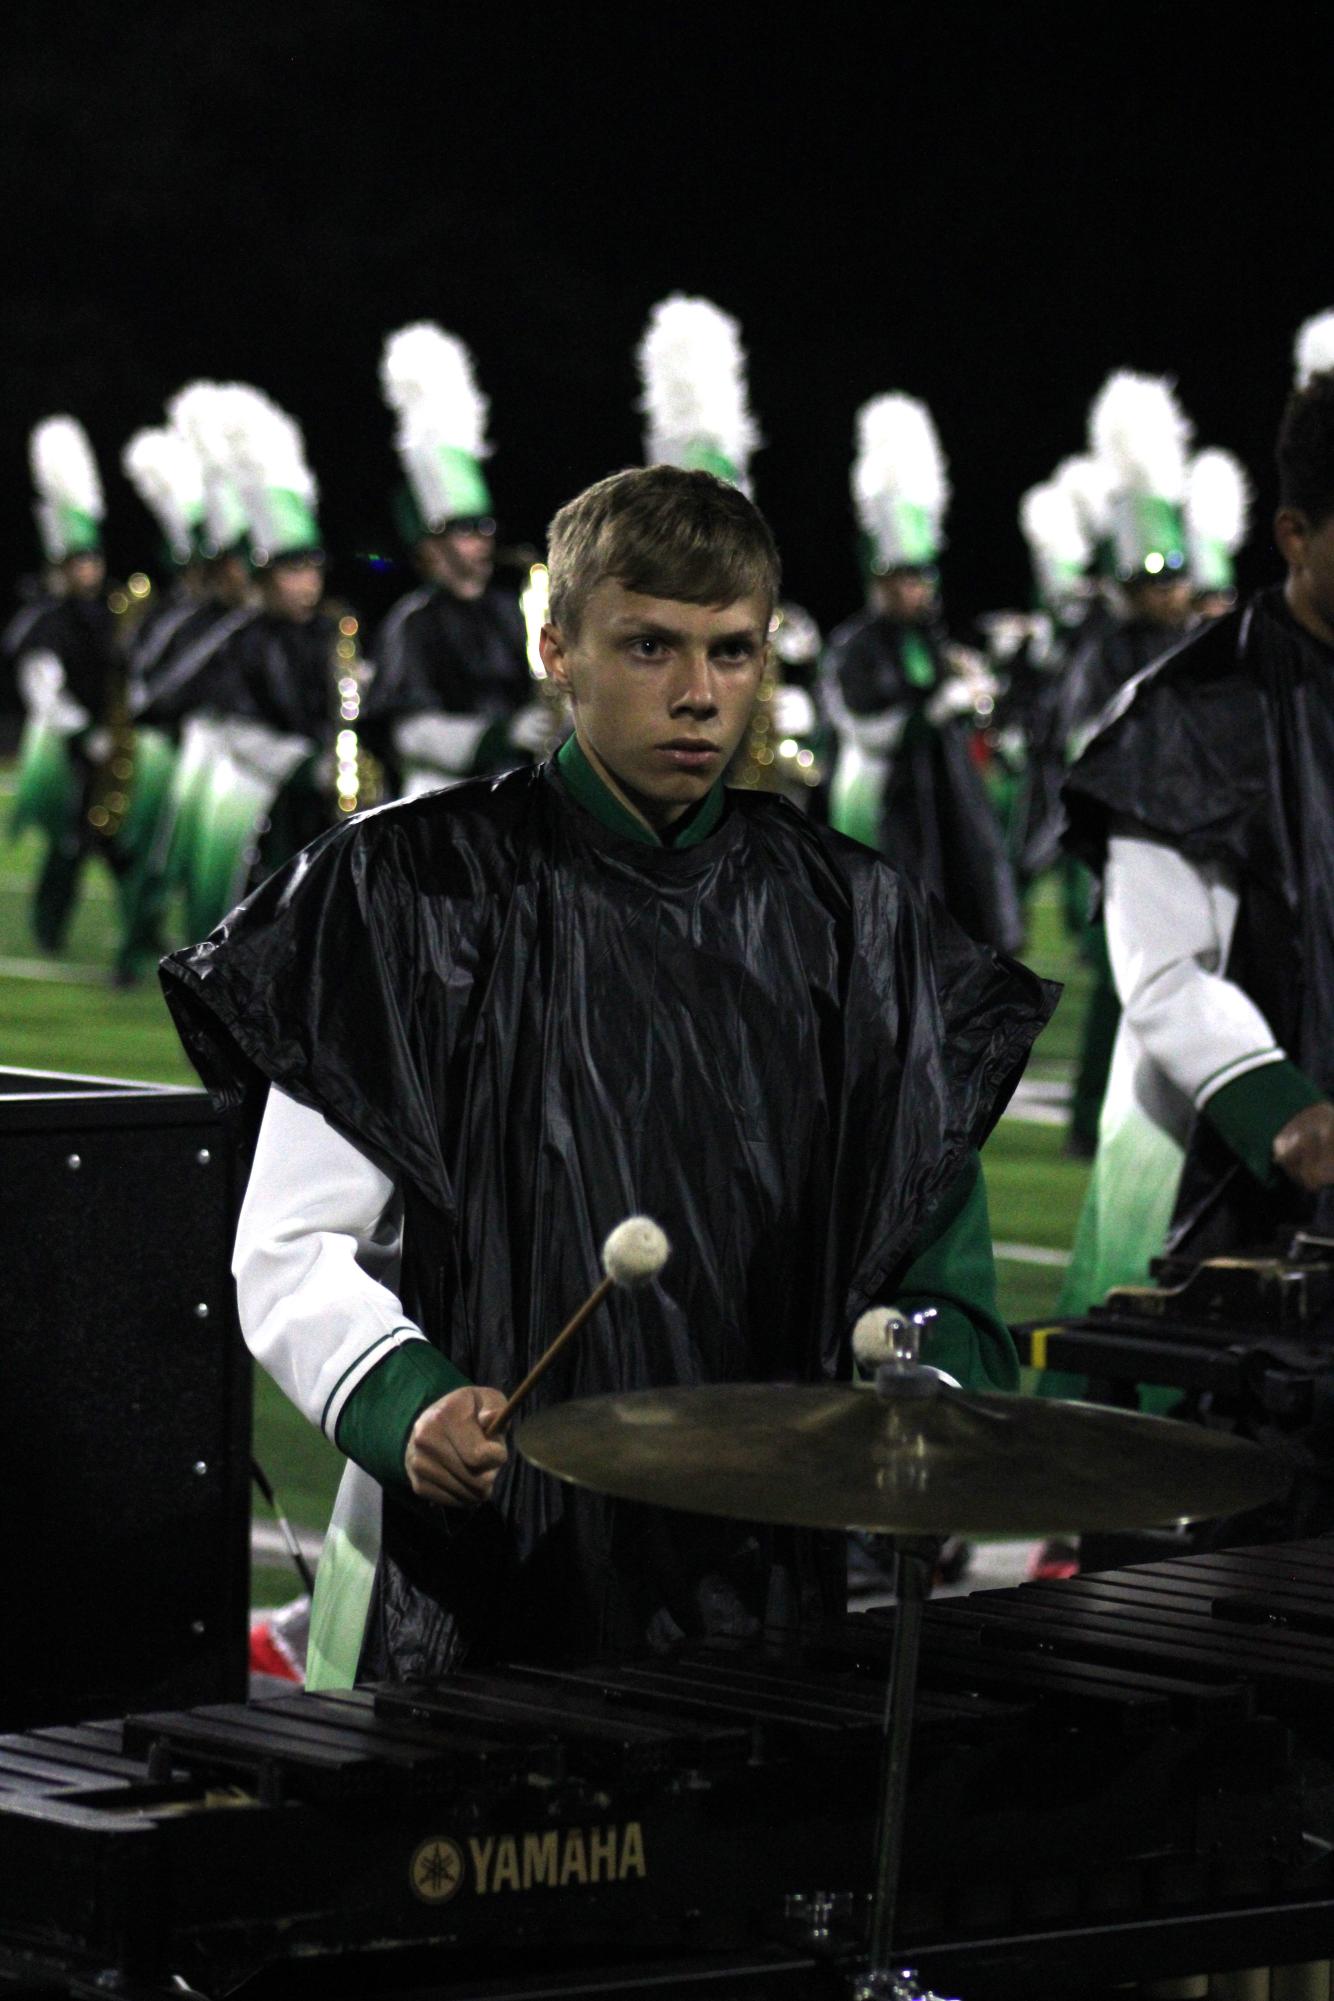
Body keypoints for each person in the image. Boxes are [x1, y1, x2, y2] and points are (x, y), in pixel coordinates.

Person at [162, 465, 1055, 1689]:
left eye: (731, 653)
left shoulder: (858, 921)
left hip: (761, 1586)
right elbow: (288, 1242)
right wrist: (403, 1399)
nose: (697, 695)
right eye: (650, 646)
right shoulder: (404, 892)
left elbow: (935, 1258)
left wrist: (930, 1389)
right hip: (468, 1580)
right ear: (556, 650)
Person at [1052, 315, 1334, 1343]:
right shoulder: (1190, 706)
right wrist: (1282, 1111)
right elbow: (1162, 971)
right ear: (1294, 536)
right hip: (1216, 1171)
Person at [823, 393, 1021, 955]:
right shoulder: (854, 643)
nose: (916, 590)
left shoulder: (929, 641)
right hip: (889, 813)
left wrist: (978, 685)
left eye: (922, 576)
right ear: (876, 578)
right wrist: (935, 706)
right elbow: (868, 729)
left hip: (943, 806)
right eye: (902, 577)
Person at [369, 323, 547, 795]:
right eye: (467, 531)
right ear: (431, 545)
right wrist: (499, 735)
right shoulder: (412, 621)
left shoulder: (513, 609)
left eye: (484, 527)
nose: (484, 542)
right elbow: (409, 734)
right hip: (437, 802)